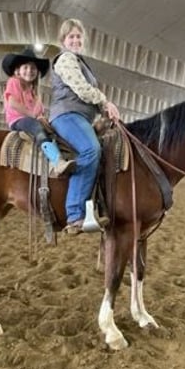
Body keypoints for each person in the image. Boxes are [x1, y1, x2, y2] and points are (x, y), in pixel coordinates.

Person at [49, 18, 120, 234]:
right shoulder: (66, 59)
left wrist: (104, 113)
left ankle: (99, 206)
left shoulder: (80, 62)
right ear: (63, 40)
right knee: (90, 150)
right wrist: (105, 102)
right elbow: (81, 89)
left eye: (78, 36)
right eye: (71, 36)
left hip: (81, 117)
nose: (76, 40)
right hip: (67, 115)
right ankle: (74, 214)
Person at [2, 47, 75, 176]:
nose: (29, 71)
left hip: (31, 119)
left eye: (33, 68)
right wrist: (33, 116)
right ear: (18, 70)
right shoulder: (14, 82)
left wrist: (41, 117)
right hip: (17, 120)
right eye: (26, 67)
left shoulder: (34, 93)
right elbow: (12, 103)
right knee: (37, 128)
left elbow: (39, 113)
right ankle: (57, 162)